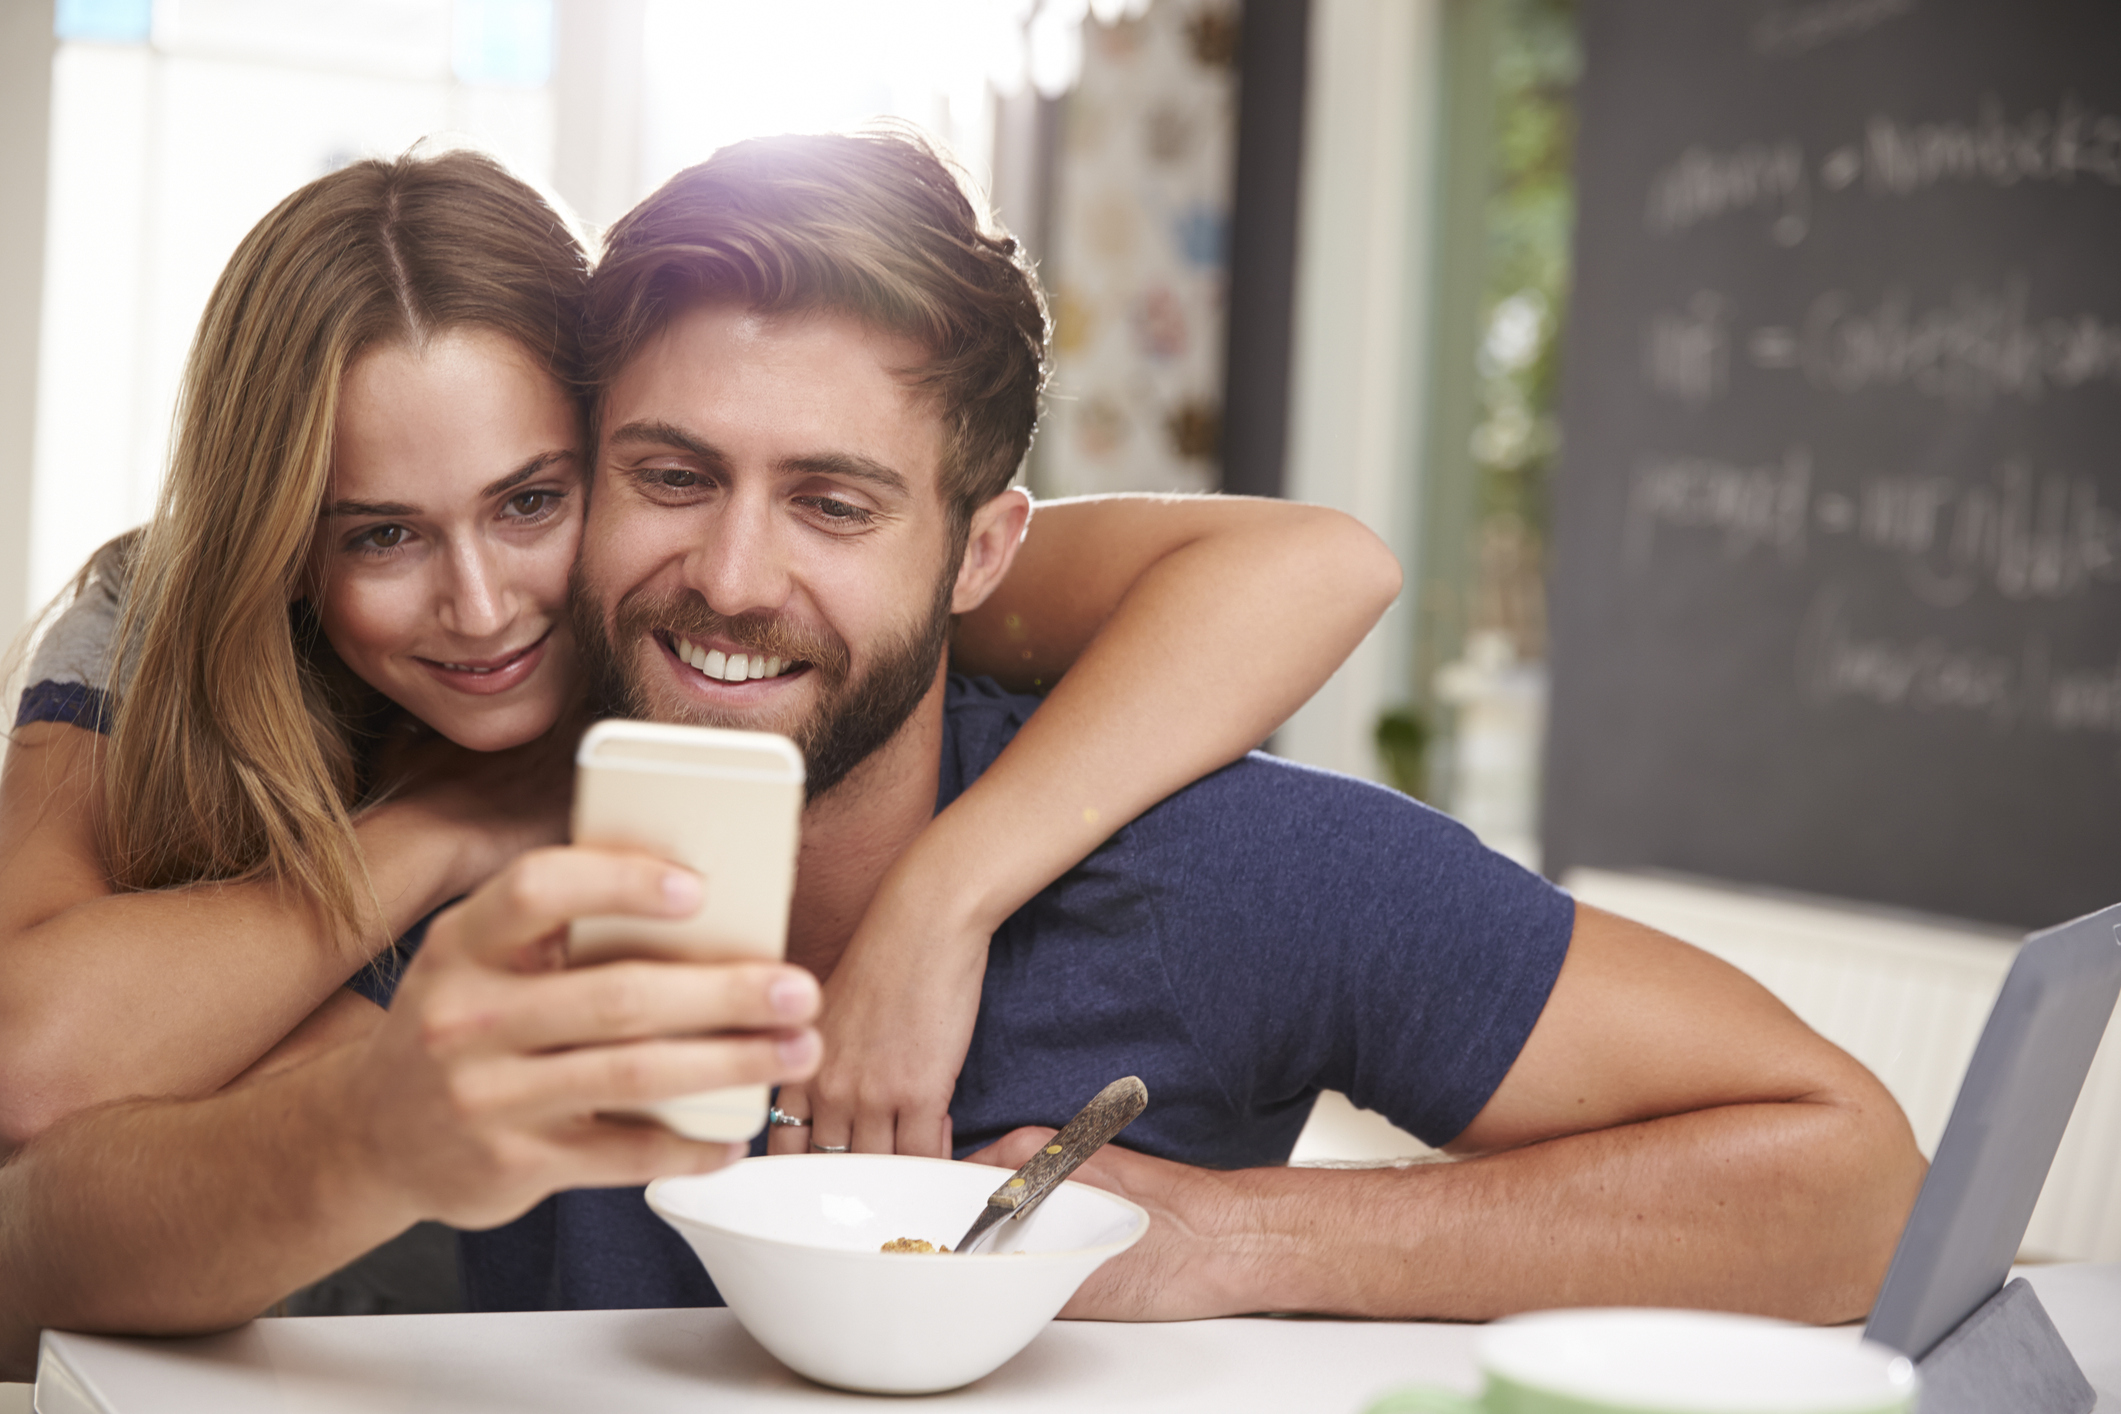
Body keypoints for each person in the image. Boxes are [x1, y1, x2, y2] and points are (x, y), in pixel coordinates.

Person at [0, 129, 1924, 1375]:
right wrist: (376, 1125)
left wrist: (1239, 1241)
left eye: (833, 501)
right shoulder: (519, 828)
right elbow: (57, 1230)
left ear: (983, 550)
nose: (729, 575)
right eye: (669, 478)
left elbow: (1852, 1179)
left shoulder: (1219, 869)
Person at [0, 145, 1400, 1173]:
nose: (481, 606)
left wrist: (939, 902)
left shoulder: (772, 571)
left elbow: (1320, 566)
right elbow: (32, 1061)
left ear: (609, 438)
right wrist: (447, 824)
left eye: (533, 499)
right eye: (379, 533)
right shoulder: (165, 614)